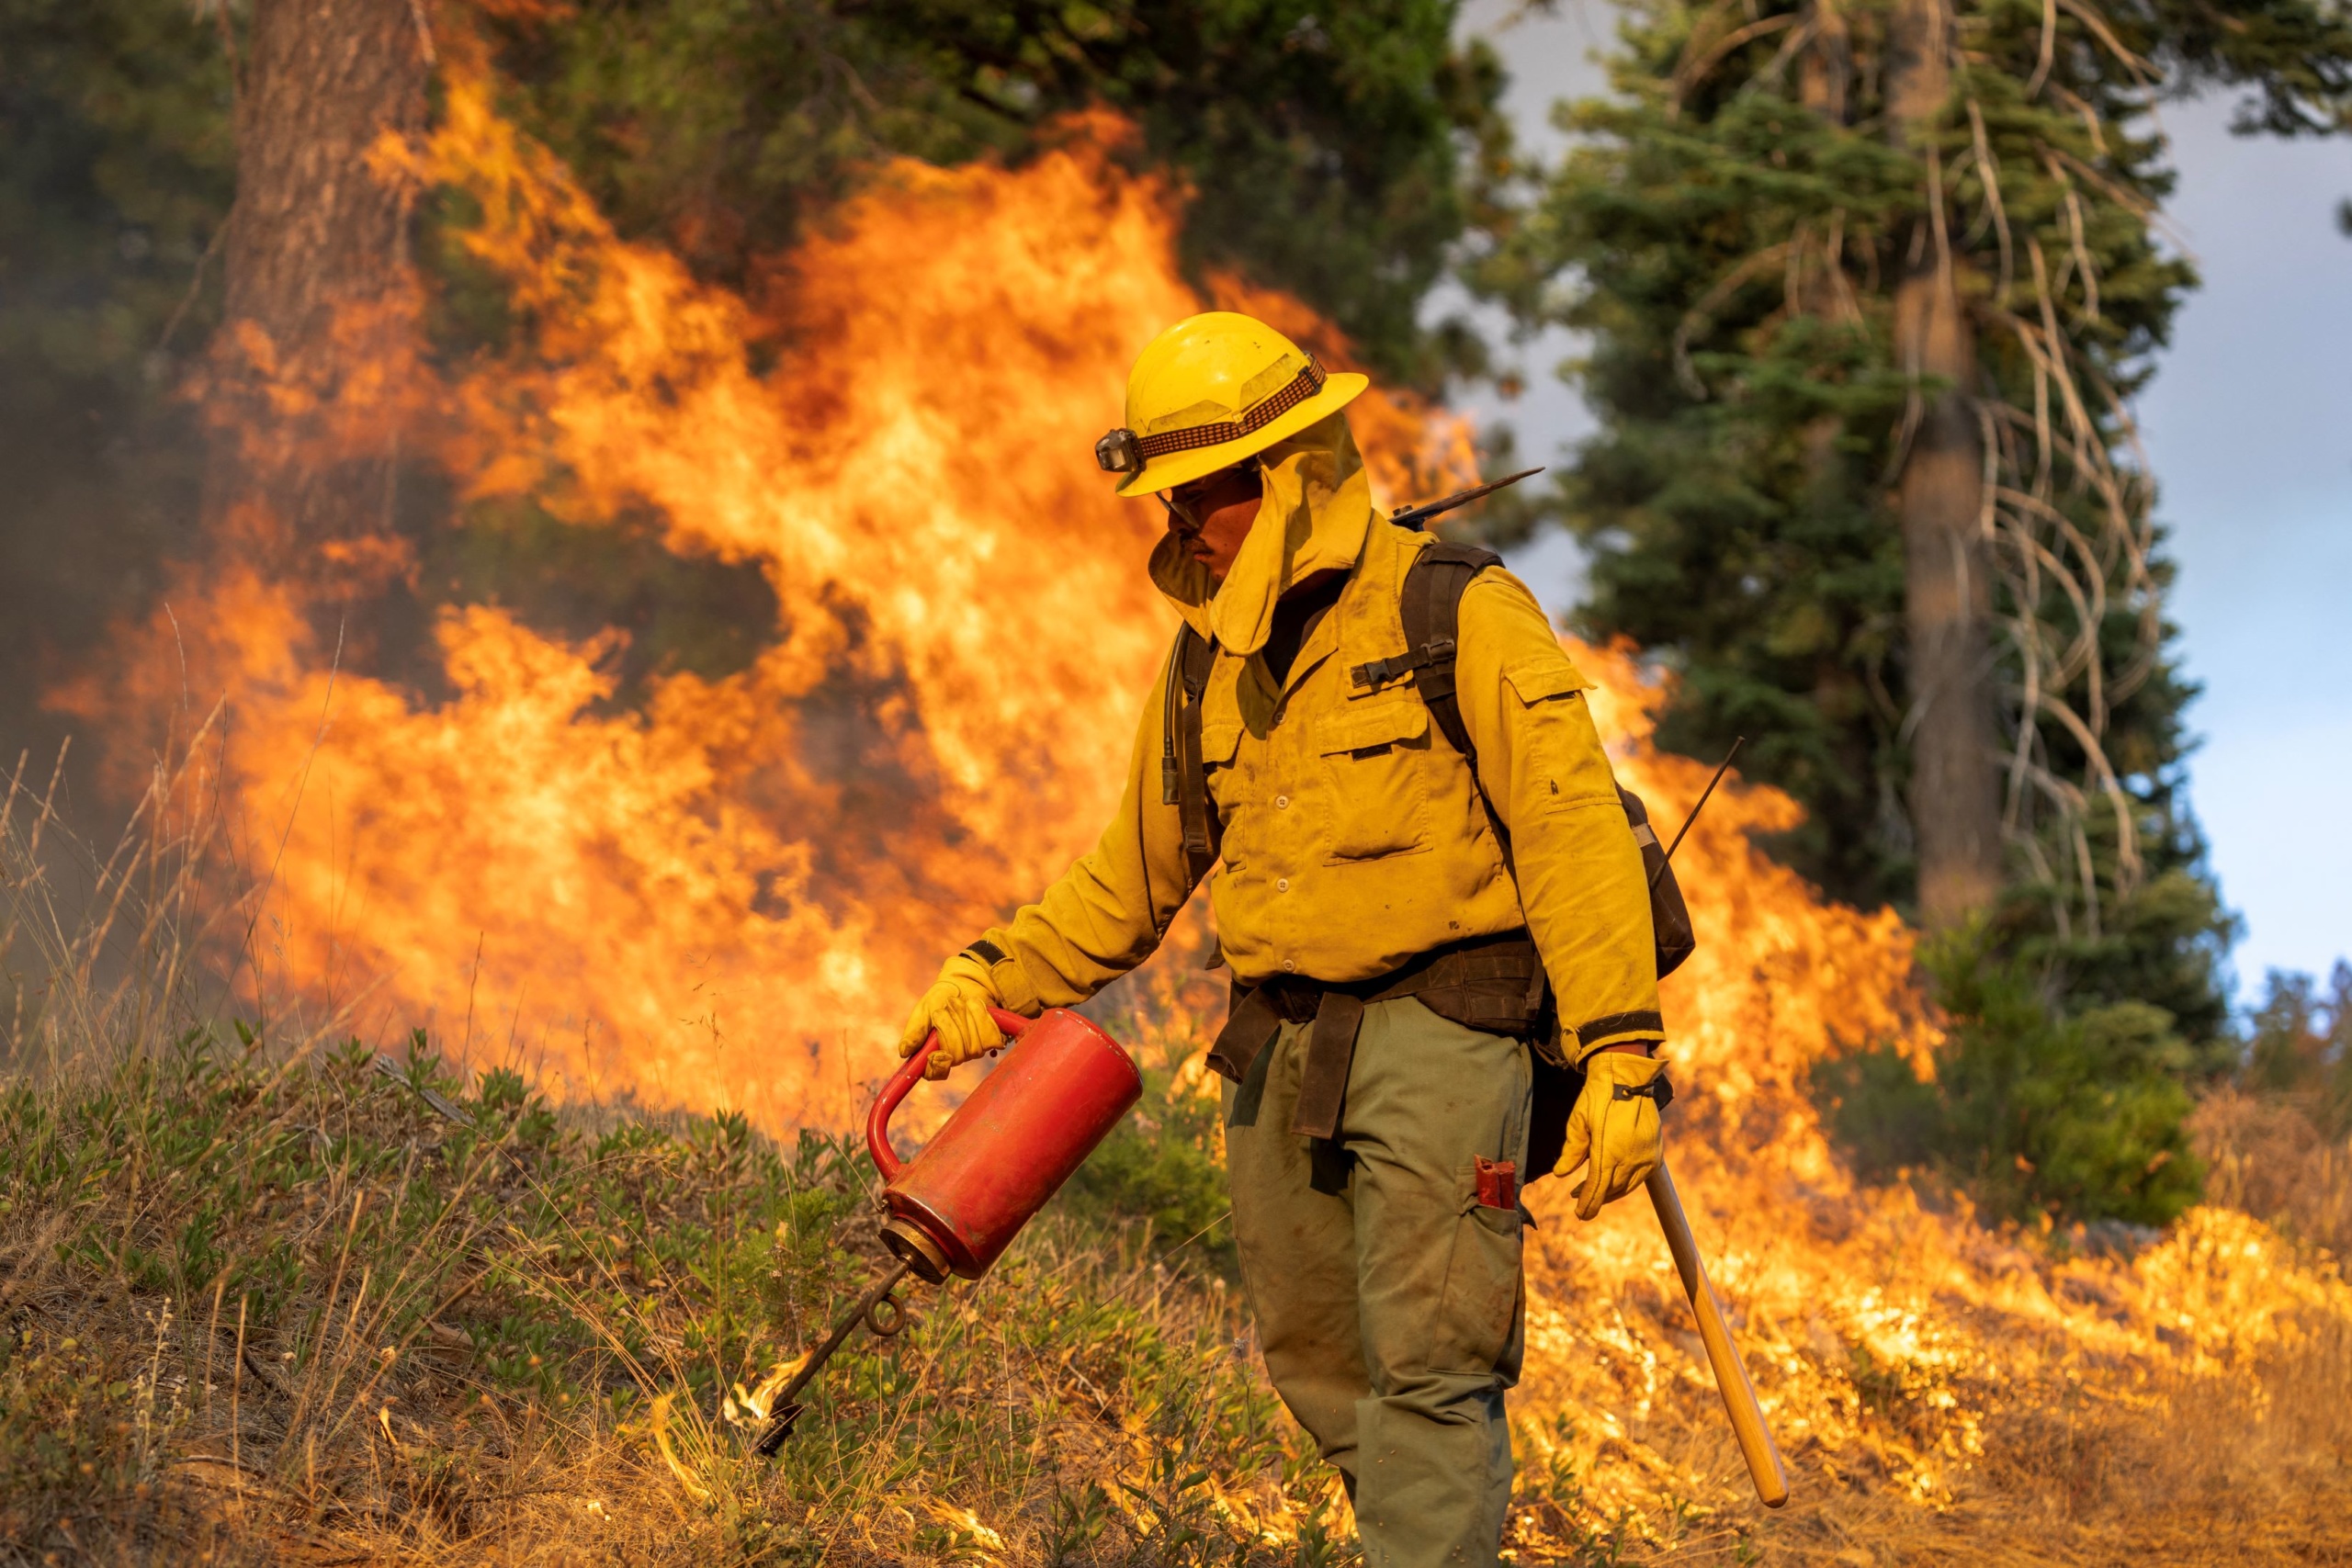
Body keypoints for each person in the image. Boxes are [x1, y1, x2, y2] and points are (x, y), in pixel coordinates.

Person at [899, 310, 1668, 1567]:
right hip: (1278, 1052)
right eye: (1167, 501)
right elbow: (1132, 877)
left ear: (1289, 474)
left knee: (1431, 1375)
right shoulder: (1208, 662)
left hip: (1446, 1036)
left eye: (1201, 494)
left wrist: (1623, 1058)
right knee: (1319, 1368)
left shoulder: (1453, 612)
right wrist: (993, 981)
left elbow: (1575, 838)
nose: (1180, 526)